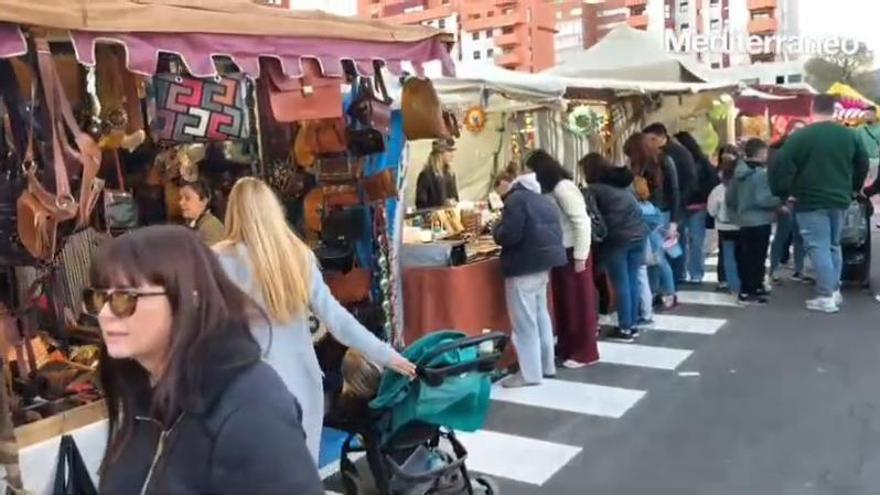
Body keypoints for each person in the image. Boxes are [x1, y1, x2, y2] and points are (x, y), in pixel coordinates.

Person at [91, 226, 324, 494]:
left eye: (124, 298)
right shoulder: (143, 397)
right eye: (100, 297)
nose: (106, 314)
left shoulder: (251, 406)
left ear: (189, 299)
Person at [214, 177, 415, 460]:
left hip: (248, 387)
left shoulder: (217, 261)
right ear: (274, 210)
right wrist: (387, 355)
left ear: (233, 211)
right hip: (302, 381)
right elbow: (338, 321)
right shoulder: (298, 256)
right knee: (303, 473)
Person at [770, 94, 870, 313]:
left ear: (812, 108)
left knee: (818, 246)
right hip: (840, 199)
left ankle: (826, 295)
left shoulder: (801, 137)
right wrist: (853, 187)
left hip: (810, 199)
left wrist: (784, 193)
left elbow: (780, 164)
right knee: (834, 245)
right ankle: (834, 290)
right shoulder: (849, 135)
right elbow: (862, 163)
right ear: (834, 110)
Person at [526, 149, 599, 369]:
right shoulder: (554, 190)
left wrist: (580, 256)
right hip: (562, 252)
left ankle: (585, 352)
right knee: (566, 303)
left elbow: (582, 222)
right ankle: (569, 347)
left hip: (573, 252)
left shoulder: (563, 189)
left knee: (579, 303)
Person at [493, 173, 567, 387]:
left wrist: (496, 227)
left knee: (524, 322)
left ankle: (529, 374)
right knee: (541, 315)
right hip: (544, 265)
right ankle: (547, 366)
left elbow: (509, 235)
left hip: (523, 265)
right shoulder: (545, 200)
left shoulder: (516, 200)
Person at [581, 153, 647, 342]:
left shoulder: (593, 190)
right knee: (632, 280)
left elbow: (592, 217)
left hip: (617, 238)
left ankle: (625, 328)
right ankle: (632, 324)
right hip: (638, 234)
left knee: (621, 283)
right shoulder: (622, 184)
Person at [625, 132, 679, 309]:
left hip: (656, 213)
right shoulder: (658, 162)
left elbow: (674, 191)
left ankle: (669, 292)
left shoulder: (660, 162)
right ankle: (656, 291)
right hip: (655, 212)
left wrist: (674, 221)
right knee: (653, 257)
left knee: (657, 255)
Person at [726, 138, 781, 304]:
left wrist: (736, 214)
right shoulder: (760, 174)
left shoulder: (738, 173)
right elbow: (763, 199)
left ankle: (745, 289)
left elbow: (730, 198)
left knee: (745, 257)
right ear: (760, 153)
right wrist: (779, 201)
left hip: (743, 221)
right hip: (760, 220)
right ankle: (755, 289)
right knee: (758, 257)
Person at [643, 123, 696, 284]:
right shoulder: (671, 153)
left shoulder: (672, 155)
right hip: (672, 204)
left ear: (660, 138)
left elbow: (681, 184)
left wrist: (678, 207)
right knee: (671, 244)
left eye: (651, 139)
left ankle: (673, 280)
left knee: (669, 245)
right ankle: (674, 279)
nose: (648, 143)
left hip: (671, 205)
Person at [674, 131, 719, 284]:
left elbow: (712, 182)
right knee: (681, 240)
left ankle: (695, 272)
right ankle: (684, 271)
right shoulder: (675, 161)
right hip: (684, 206)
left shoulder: (701, 163)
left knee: (695, 240)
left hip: (696, 206)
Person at [768, 135, 806, 283]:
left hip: (790, 199)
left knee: (788, 235)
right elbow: (775, 180)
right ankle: (789, 269)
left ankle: (781, 269)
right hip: (788, 199)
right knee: (788, 235)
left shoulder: (776, 156)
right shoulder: (781, 157)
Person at [707, 149, 742, 296]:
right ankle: (740, 281)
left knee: (726, 254)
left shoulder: (718, 190)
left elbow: (711, 210)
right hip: (741, 224)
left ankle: (729, 283)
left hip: (723, 226)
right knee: (740, 254)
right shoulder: (742, 188)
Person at [415, 139, 459, 209]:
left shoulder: (450, 174)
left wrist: (453, 203)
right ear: (440, 154)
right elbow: (421, 204)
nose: (452, 155)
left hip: (449, 217)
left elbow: (456, 198)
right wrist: (441, 206)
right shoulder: (426, 175)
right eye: (449, 151)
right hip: (433, 218)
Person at [179, 179, 225, 245]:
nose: (181, 203)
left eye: (187, 198)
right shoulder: (192, 225)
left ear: (204, 201)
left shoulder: (211, 226)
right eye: (180, 198)